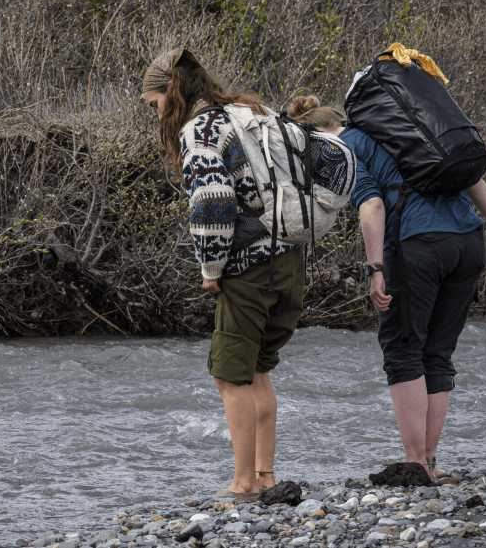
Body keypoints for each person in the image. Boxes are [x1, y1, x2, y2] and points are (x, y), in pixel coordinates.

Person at [141, 49, 352, 496]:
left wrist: (210, 268)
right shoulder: (250, 111)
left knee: (230, 374)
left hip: (249, 268)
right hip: (292, 259)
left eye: (154, 103)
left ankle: (241, 484)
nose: (155, 112)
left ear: (171, 91)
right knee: (258, 370)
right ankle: (265, 476)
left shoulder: (200, 130)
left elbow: (212, 203)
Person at [291, 95, 486, 478]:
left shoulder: (346, 147)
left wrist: (376, 268)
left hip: (417, 246)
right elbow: (471, 176)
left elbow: (371, 205)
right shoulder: (404, 129)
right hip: (469, 243)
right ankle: (431, 461)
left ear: (317, 133)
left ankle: (416, 463)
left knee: (404, 352)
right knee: (437, 353)